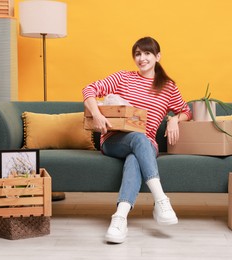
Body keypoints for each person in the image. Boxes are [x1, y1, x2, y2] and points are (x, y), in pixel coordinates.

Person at [82, 36, 192, 244]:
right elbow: (89, 90)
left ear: (158, 56)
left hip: (145, 143)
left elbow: (186, 110)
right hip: (114, 140)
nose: (142, 58)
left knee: (135, 156)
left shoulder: (168, 87)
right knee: (139, 140)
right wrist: (97, 114)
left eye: (147, 53)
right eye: (138, 54)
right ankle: (161, 200)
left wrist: (174, 119)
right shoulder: (123, 77)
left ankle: (119, 218)